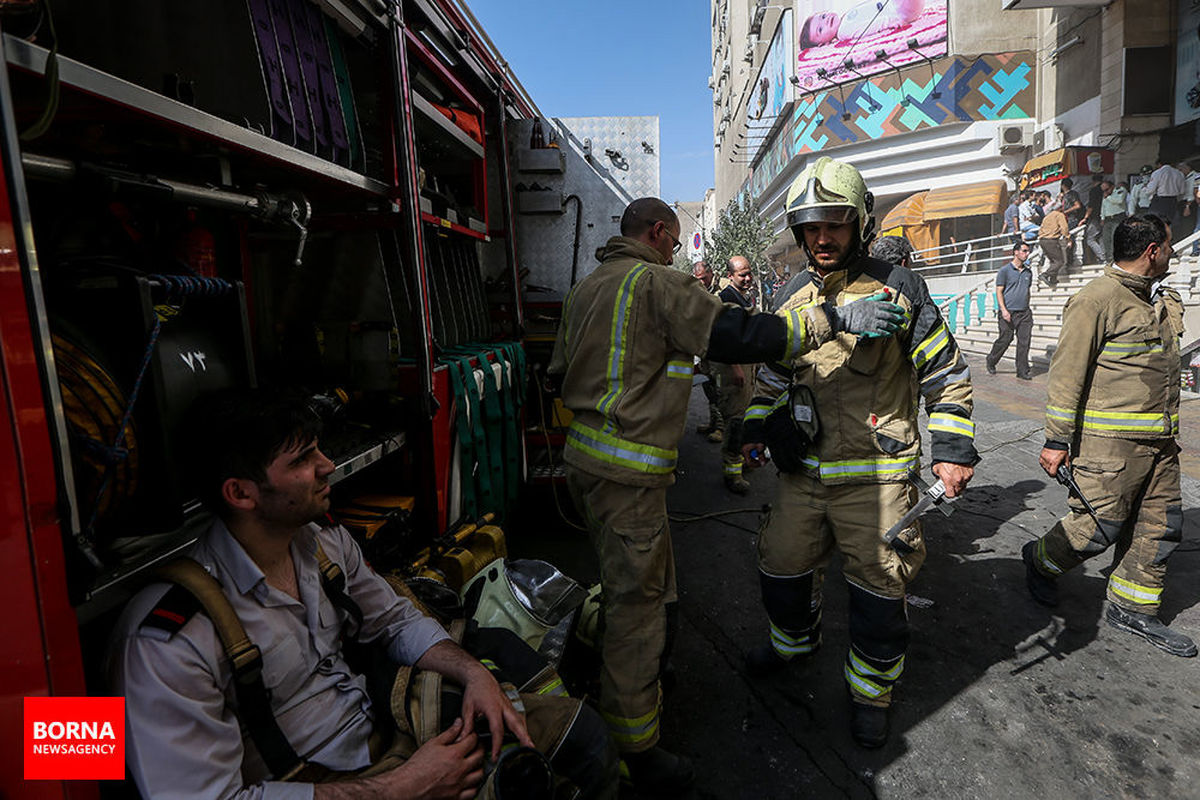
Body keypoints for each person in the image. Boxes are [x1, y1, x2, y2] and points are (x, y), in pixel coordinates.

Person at [549, 196, 904, 792]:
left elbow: (562, 372)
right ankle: (636, 745)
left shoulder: (590, 287)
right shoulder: (657, 283)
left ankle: (645, 671)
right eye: (676, 242)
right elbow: (739, 334)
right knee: (636, 609)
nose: (679, 254)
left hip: (588, 469)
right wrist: (835, 319)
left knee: (641, 582)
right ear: (660, 234)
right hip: (629, 478)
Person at [110, 388, 619, 800]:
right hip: (324, 780)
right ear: (240, 493)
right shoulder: (170, 640)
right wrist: (404, 786)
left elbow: (395, 619)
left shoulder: (322, 545)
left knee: (583, 739)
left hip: (386, 730)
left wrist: (470, 673)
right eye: (304, 459)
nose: (328, 465)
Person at [739, 158, 977, 749]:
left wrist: (952, 450)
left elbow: (945, 375)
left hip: (878, 483)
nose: (822, 238)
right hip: (803, 477)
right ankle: (794, 645)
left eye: (835, 225)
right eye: (811, 228)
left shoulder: (901, 287)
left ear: (860, 223)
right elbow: (771, 377)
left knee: (877, 593)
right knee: (781, 567)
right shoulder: (793, 292)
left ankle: (872, 693)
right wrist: (755, 430)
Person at [1023, 214, 1196, 659]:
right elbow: (1066, 374)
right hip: (1108, 446)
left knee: (1160, 526)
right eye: (1168, 246)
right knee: (1096, 530)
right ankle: (1039, 561)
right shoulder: (1096, 300)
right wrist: (1056, 440)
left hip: (1160, 444)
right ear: (1152, 251)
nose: (1173, 252)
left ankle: (1133, 608)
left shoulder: (1155, 299)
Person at [712, 256, 758, 494]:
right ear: (730, 276)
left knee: (747, 417)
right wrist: (736, 368)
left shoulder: (743, 296)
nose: (748, 278)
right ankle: (732, 474)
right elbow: (723, 339)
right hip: (735, 369)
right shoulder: (726, 299)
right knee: (736, 422)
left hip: (747, 366)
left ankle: (742, 461)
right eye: (743, 275)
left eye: (749, 273)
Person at [985, 242, 1034, 380]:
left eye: (1028, 251)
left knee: (1024, 341)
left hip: (1024, 312)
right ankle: (991, 359)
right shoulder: (1004, 271)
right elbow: (999, 291)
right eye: (1024, 251)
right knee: (1006, 339)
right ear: (1016, 252)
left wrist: (1027, 306)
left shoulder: (1028, 272)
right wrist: (1004, 310)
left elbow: (1027, 291)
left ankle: (1022, 370)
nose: (1027, 254)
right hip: (1008, 312)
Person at [800, 0, 924, 47]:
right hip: (901, 12)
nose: (826, 20)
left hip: (896, 6)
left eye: (823, 16)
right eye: (820, 29)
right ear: (824, 43)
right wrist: (890, 22)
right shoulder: (844, 32)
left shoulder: (844, 20)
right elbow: (869, 26)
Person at [691, 260, 723, 437]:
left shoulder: (723, 289)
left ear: (711, 273)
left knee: (719, 390)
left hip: (719, 348)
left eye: (704, 278)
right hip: (705, 349)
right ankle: (713, 422)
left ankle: (720, 427)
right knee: (708, 388)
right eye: (698, 279)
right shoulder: (699, 291)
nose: (701, 282)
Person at [1144, 157, 1185, 227]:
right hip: (1173, 201)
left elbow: (1150, 190)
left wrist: (1145, 188)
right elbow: (1182, 191)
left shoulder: (1157, 173)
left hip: (1160, 201)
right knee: (1170, 223)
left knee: (1156, 223)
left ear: (1159, 164)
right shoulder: (1179, 173)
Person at [1038, 201, 1071, 286]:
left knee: (1054, 260)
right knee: (1060, 261)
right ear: (1060, 208)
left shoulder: (1047, 217)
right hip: (1051, 240)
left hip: (1042, 240)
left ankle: (1053, 279)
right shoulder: (1059, 215)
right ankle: (1045, 275)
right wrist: (1067, 238)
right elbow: (1064, 227)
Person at [1082, 179, 1110, 264]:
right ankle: (1105, 256)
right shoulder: (1106, 191)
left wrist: (1085, 217)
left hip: (1095, 217)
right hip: (1105, 216)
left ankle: (1102, 257)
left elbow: (1091, 205)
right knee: (1100, 238)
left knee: (1090, 239)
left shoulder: (1094, 191)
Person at [1100, 181, 1128, 262]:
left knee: (1114, 238)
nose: (1105, 192)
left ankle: (1116, 258)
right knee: (1106, 239)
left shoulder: (1120, 190)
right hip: (1108, 219)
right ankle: (1109, 258)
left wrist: (1108, 197)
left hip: (1117, 217)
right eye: (1103, 190)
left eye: (1107, 189)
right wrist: (1102, 217)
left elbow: (1119, 200)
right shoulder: (1105, 195)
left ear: (1112, 186)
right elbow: (1103, 206)